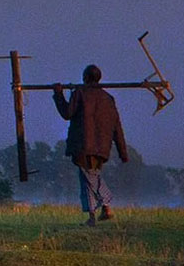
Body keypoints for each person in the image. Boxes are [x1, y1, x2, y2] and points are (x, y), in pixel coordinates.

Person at [53, 64, 129, 226]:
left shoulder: (80, 93)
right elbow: (117, 127)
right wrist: (123, 153)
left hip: (83, 146)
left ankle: (106, 205)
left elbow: (67, 113)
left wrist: (58, 94)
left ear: (85, 78)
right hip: (102, 148)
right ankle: (92, 217)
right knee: (88, 178)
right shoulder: (108, 99)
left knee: (90, 176)